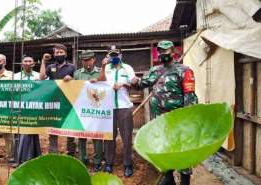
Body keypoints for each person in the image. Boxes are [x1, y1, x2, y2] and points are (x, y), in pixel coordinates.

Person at [133, 40, 198, 185]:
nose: (163, 53)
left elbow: (190, 96)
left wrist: (187, 119)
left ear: (173, 52)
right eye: (160, 51)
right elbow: (141, 84)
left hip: (178, 119)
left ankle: (185, 179)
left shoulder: (185, 70)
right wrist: (133, 81)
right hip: (160, 120)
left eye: (166, 50)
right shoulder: (154, 71)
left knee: (182, 149)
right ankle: (168, 177)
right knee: (164, 146)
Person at [98, 45, 135, 177]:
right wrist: (102, 66)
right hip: (108, 107)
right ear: (108, 56)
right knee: (109, 137)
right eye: (111, 55)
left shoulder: (128, 68)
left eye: (116, 54)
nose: (114, 57)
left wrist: (123, 84)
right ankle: (109, 163)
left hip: (124, 106)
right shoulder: (106, 68)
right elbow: (100, 81)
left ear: (120, 55)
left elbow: (134, 83)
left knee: (127, 137)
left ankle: (128, 164)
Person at [39, 43, 77, 155]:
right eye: (57, 52)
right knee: (53, 127)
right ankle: (53, 152)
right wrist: (43, 61)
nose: (59, 54)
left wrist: (71, 78)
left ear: (65, 54)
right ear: (54, 54)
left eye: (61, 52)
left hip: (67, 101)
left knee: (70, 127)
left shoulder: (72, 67)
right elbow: (42, 78)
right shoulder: (51, 67)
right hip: (54, 101)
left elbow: (78, 82)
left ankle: (71, 152)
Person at [73, 50, 103, 172]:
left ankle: (97, 161)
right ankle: (82, 160)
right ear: (82, 61)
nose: (87, 62)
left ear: (94, 59)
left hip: (97, 108)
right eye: (84, 60)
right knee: (81, 136)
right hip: (82, 109)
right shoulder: (77, 74)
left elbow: (106, 86)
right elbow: (73, 90)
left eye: (89, 59)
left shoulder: (100, 72)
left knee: (97, 136)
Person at [14, 55, 41, 166]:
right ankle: (20, 158)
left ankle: (33, 156)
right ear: (22, 64)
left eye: (30, 61)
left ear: (34, 64)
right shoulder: (16, 76)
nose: (27, 63)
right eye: (25, 61)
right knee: (20, 132)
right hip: (20, 107)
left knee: (32, 132)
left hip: (34, 108)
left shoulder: (39, 76)